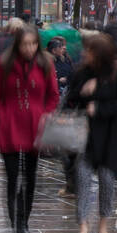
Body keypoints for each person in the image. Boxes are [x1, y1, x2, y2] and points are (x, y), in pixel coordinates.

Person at [63, 34, 117, 233]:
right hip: (87, 134)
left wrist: (100, 108)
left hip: (112, 135)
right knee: (82, 179)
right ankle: (83, 226)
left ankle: (103, 223)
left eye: (90, 51)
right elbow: (70, 99)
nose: (85, 54)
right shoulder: (82, 73)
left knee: (106, 180)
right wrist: (83, 92)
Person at [0, 25, 59, 233]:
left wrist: (46, 115)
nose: (29, 48)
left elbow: (53, 95)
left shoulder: (45, 63)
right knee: (12, 177)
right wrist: (0, 115)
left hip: (34, 125)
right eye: (25, 44)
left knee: (30, 177)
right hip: (10, 124)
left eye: (33, 44)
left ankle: (25, 221)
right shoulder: (5, 63)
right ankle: (15, 223)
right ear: (18, 45)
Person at [47, 36, 78, 195]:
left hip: (68, 103)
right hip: (58, 100)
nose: (64, 48)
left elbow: (73, 75)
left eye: (64, 46)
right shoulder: (49, 63)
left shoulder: (68, 60)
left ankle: (73, 182)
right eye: (61, 46)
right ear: (54, 50)